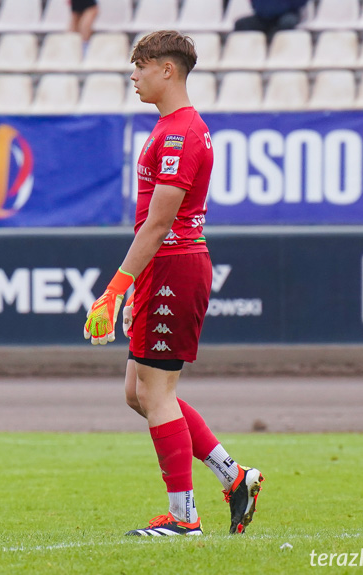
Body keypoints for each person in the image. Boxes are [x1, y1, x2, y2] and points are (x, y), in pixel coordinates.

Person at [83, 30, 264, 536]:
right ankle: (235, 477)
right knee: (137, 391)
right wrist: (133, 285)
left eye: (140, 66)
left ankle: (185, 519)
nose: (133, 75)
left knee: (156, 391)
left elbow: (159, 224)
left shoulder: (180, 134)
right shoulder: (171, 127)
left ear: (168, 69)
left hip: (174, 265)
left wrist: (116, 288)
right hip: (165, 268)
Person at [234, 0, 309, 38]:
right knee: (242, 24)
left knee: (287, 22)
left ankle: (278, 52)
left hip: (287, 13)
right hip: (264, 16)